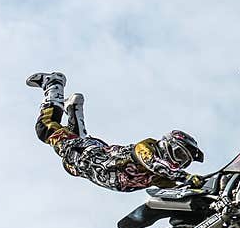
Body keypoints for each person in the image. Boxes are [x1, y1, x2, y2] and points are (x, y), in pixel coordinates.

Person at [26, 71, 204, 192]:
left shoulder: (157, 176)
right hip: (90, 155)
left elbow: (175, 190)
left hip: (91, 158)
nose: (178, 162)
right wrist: (186, 176)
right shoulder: (146, 149)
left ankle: (74, 109)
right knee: (45, 129)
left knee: (75, 149)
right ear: (167, 144)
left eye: (183, 162)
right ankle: (54, 84)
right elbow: (155, 163)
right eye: (179, 154)